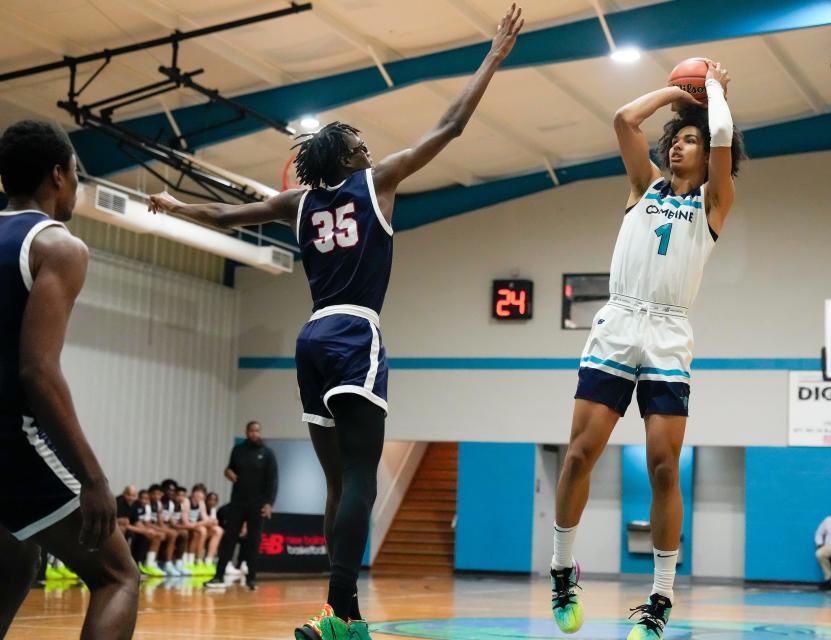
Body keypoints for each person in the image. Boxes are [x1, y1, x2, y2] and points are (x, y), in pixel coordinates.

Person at [147, 6, 523, 638]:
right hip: (354, 332)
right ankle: (340, 610)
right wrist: (494, 56)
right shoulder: (375, 183)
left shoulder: (297, 203)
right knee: (360, 481)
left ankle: (340, 611)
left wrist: (176, 203)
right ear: (344, 157)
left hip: (311, 338)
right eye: (358, 144)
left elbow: (229, 215)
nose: (368, 147)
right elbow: (453, 125)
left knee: (335, 481)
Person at [549, 62, 745, 640]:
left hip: (667, 334)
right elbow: (622, 119)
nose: (680, 147)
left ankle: (660, 598)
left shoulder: (715, 203)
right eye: (676, 140)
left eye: (691, 140)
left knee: (664, 466)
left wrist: (710, 97)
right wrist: (677, 93)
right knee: (580, 454)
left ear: (708, 154)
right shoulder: (643, 186)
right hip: (618, 322)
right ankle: (563, 569)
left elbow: (725, 137)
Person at [0, 119, 139, 639]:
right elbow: (37, 370)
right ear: (58, 175)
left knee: (14, 565)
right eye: (77, 174)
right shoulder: (58, 246)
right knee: (118, 576)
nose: (77, 186)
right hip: (12, 441)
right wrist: (93, 478)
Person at [203, 420, 277, 591]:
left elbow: (273, 481)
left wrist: (269, 503)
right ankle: (218, 576)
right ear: (246, 432)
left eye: (257, 431)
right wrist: (227, 472)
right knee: (229, 539)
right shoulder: (238, 450)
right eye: (251, 431)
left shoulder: (267, 453)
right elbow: (229, 469)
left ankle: (251, 578)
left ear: (260, 432)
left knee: (253, 541)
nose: (254, 434)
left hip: (257, 504)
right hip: (237, 502)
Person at [115, 485, 164, 577]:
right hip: (116, 529)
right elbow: (123, 523)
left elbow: (136, 521)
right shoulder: (118, 502)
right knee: (131, 534)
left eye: (133, 495)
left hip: (129, 528)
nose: (131, 498)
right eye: (128, 495)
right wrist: (144, 531)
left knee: (146, 537)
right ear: (124, 493)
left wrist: (147, 530)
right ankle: (124, 566)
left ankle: (140, 565)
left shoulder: (134, 504)